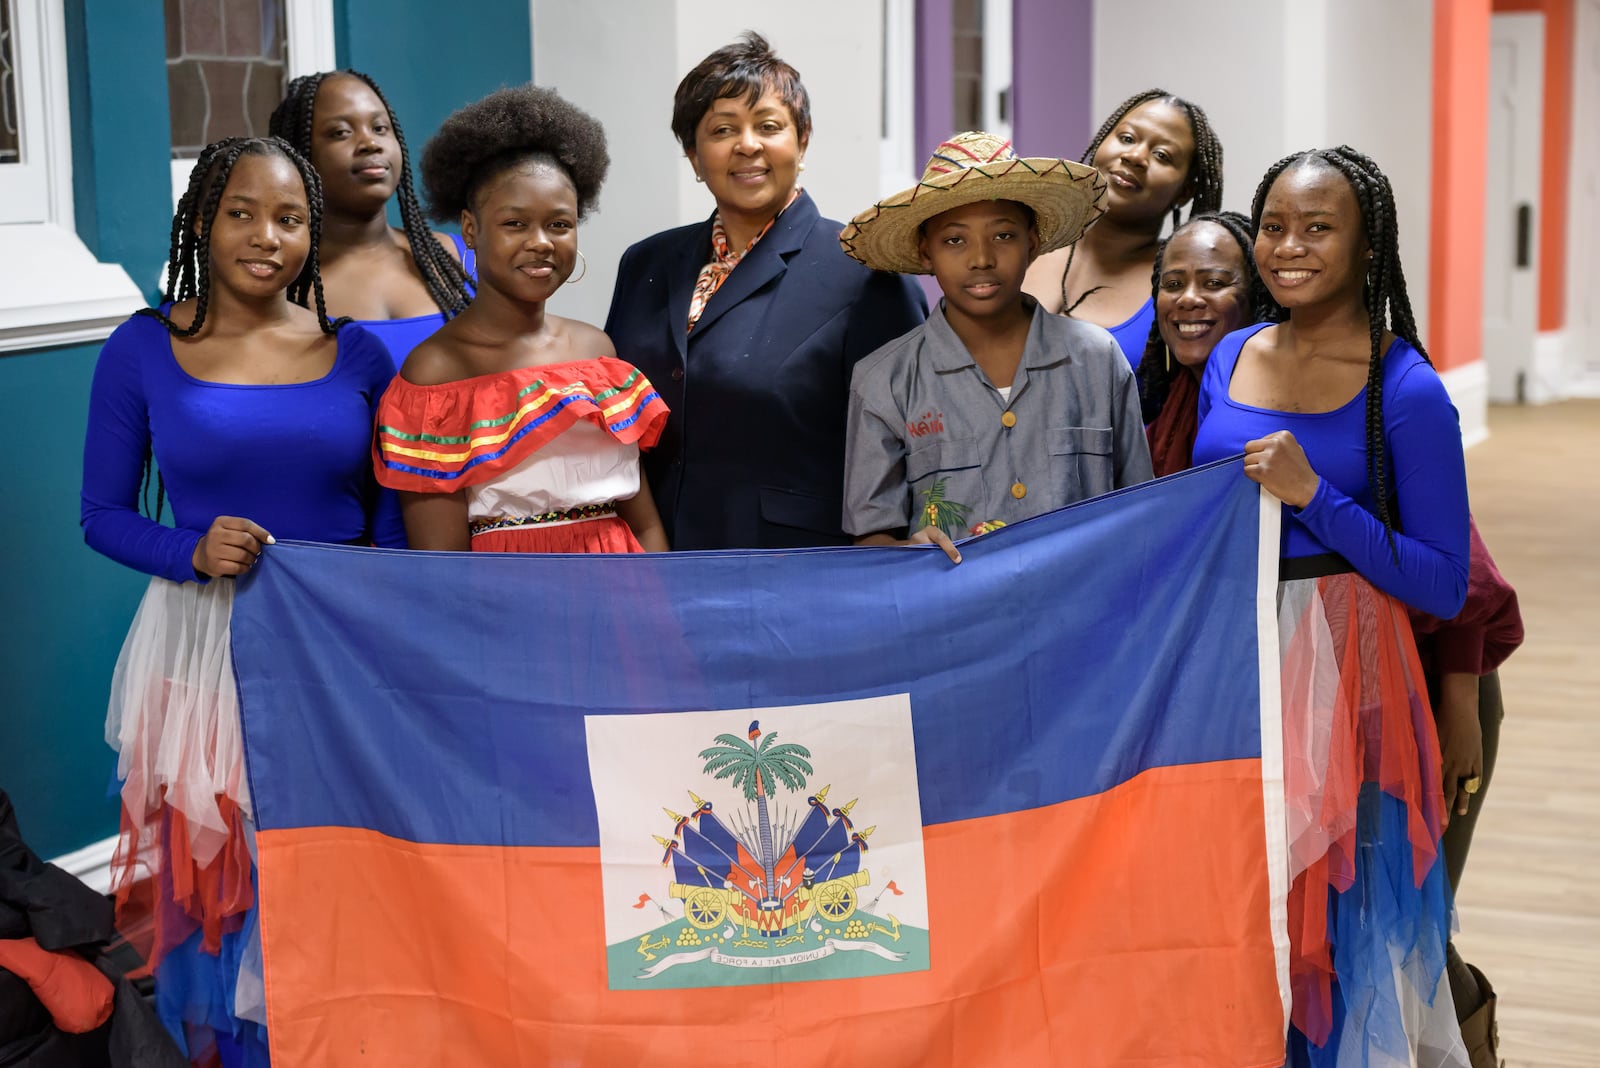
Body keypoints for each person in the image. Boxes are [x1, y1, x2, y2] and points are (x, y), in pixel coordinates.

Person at [80, 135, 403, 1065]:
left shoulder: (358, 356)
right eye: (243, 214)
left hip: (335, 643)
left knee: (337, 857)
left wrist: (378, 627)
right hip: (205, 645)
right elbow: (101, 515)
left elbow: (387, 521)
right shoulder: (145, 347)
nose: (269, 237)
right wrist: (190, 547)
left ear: (314, 232)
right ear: (203, 222)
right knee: (228, 876)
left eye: (292, 218)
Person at [1193, 146, 1471, 1066]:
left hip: (1346, 655)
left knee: (1334, 906)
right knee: (1240, 895)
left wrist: (1317, 495)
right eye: (1274, 226)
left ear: (1367, 245)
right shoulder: (1230, 353)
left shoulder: (1407, 387)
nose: (1289, 247)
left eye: (1319, 228)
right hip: (1231, 649)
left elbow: (1442, 580)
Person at [604, 32, 927, 550]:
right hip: (651, 566)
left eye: (769, 126)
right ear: (693, 155)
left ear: (802, 140)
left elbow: (915, 434)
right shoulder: (646, 263)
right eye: (722, 130)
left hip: (795, 571)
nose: (747, 144)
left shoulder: (864, 271)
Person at [373, 85, 669, 554]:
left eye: (559, 224)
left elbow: (646, 524)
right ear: (471, 228)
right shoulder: (435, 371)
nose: (541, 242)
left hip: (626, 597)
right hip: (509, 605)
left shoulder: (598, 353)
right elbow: (441, 564)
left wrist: (661, 615)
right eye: (515, 224)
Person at [837, 130, 1149, 561]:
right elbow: (871, 540)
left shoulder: (1098, 359)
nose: (981, 258)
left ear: (1032, 243)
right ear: (925, 253)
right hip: (953, 621)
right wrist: (908, 548)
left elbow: (1141, 513)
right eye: (954, 240)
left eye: (1002, 236)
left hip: (1084, 615)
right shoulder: (884, 381)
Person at [269, 70, 475, 368]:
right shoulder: (285, 285)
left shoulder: (464, 260)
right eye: (341, 132)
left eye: (380, 128)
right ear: (301, 154)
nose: (370, 143)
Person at [1022, 89, 1223, 367]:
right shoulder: (1027, 242)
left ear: (1185, 192)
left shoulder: (1180, 288)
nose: (1135, 156)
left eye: (1162, 155)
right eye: (1127, 138)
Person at [1136, 210, 1274, 476]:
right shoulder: (1161, 425)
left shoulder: (1281, 407)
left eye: (1213, 283)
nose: (1187, 299)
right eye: (1173, 284)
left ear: (1256, 296)